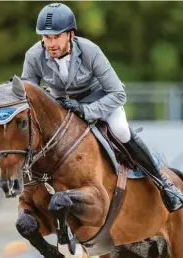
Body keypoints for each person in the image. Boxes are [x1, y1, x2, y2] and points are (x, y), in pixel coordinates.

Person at [21, 3, 183, 213]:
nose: (50, 43)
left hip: (101, 101)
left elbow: (118, 93)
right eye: (46, 37)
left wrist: (86, 111)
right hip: (64, 108)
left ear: (70, 35)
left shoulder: (90, 51)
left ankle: (164, 184)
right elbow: (29, 94)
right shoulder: (34, 56)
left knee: (121, 131)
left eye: (56, 37)